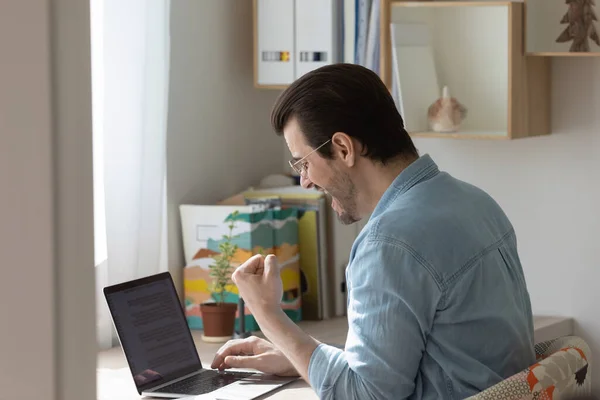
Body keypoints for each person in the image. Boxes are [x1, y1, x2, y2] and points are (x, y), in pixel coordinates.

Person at [211, 64, 535, 399]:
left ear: (343, 148)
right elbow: (409, 361)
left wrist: (267, 313)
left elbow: (366, 397)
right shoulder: (474, 202)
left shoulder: (390, 244)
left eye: (303, 163)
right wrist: (301, 356)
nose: (305, 181)